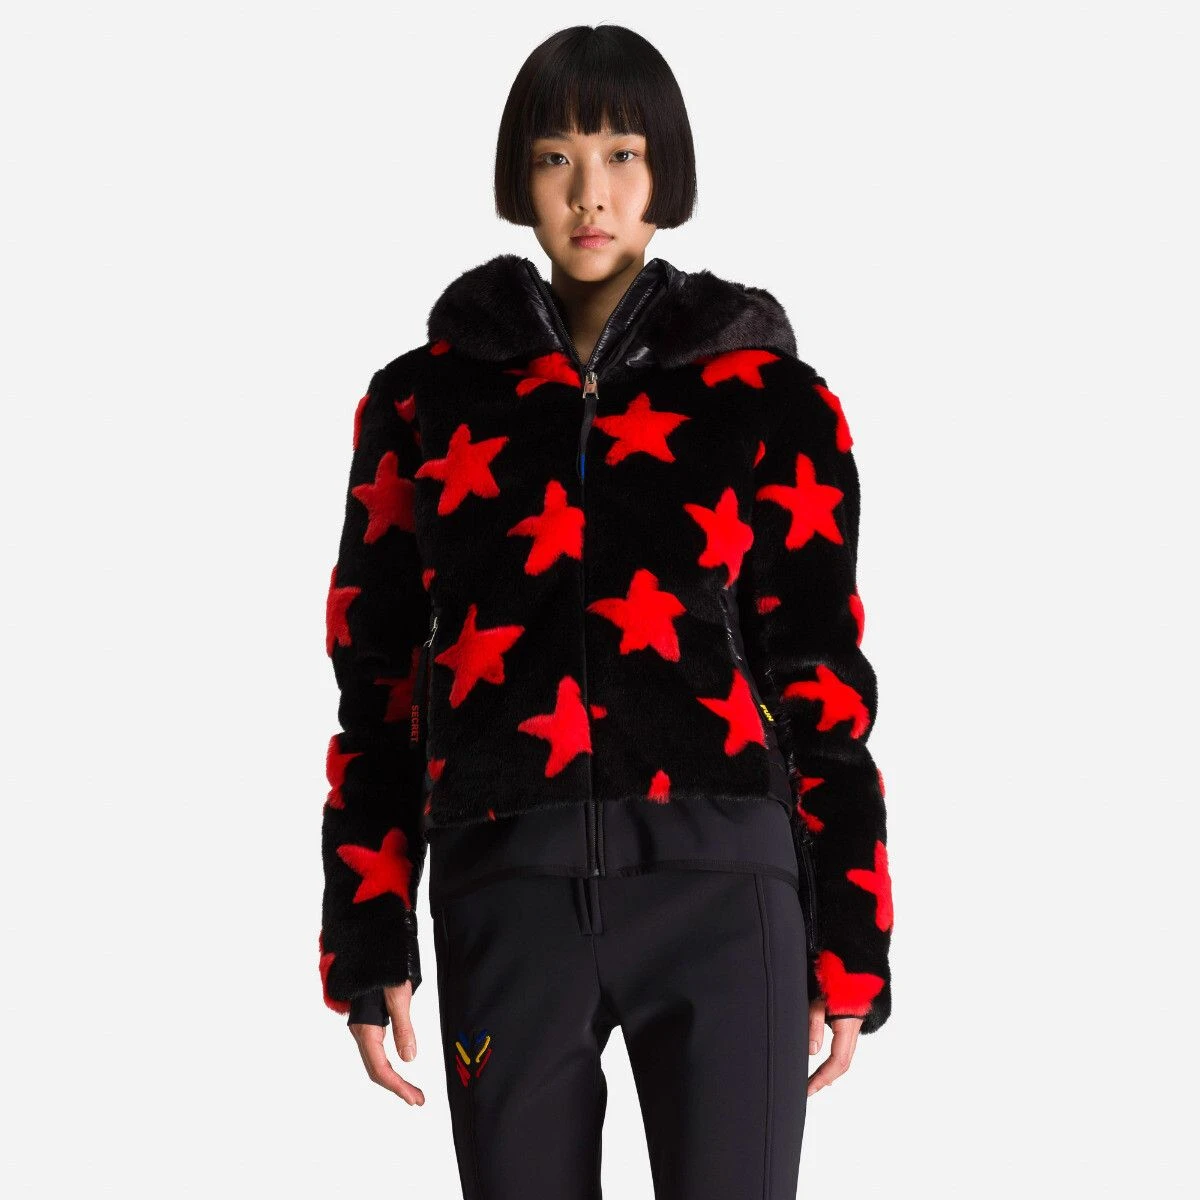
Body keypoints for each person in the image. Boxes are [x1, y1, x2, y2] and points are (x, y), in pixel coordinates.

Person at [318, 23, 893, 1200]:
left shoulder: (770, 396)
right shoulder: (421, 403)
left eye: (623, 153)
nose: (591, 193)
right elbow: (377, 685)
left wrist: (851, 940)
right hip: (504, 895)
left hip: (725, 896)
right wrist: (368, 934)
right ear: (517, 177)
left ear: (664, 170)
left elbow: (822, 679)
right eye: (556, 157)